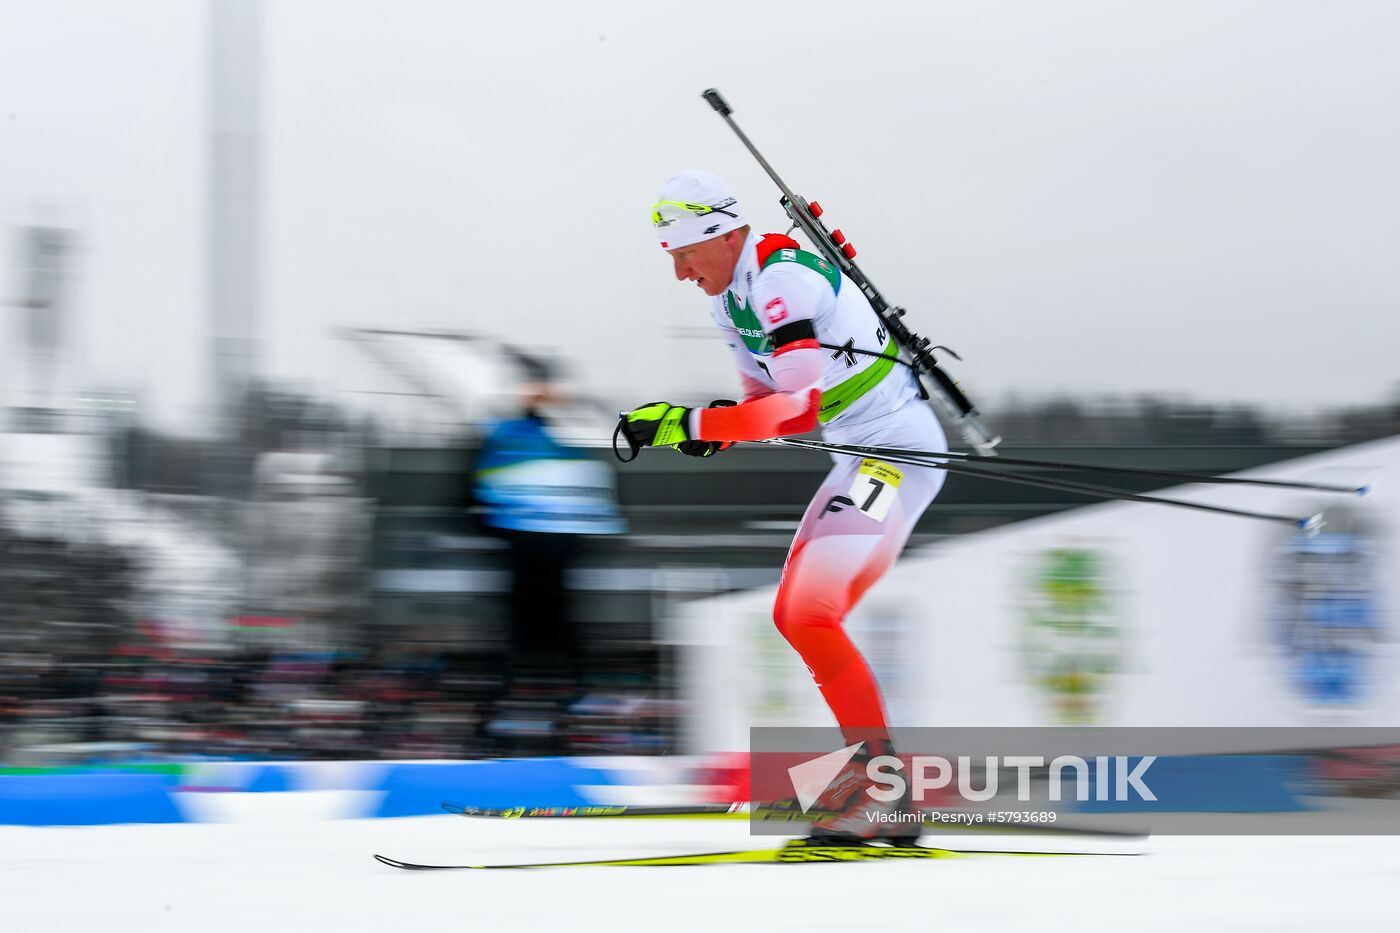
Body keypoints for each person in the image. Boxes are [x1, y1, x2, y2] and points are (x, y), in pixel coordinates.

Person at [620, 170, 948, 842]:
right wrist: (715, 425)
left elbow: (795, 405)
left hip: (894, 451)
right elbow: (774, 413)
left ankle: (880, 785)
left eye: (683, 254)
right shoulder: (729, 303)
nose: (680, 272)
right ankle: (879, 779)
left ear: (719, 234)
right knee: (795, 615)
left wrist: (689, 425)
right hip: (859, 454)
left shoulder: (778, 279)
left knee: (809, 611)